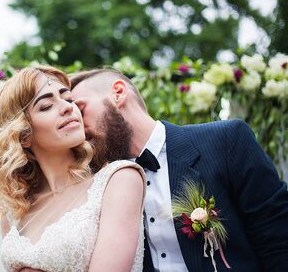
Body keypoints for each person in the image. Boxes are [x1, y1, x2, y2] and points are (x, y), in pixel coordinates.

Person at [69, 68, 288, 272]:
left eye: (80, 109)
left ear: (118, 93)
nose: (77, 124)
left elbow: (278, 239)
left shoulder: (226, 140)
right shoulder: (97, 184)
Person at [0, 66, 146, 271]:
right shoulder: (13, 211)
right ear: (23, 135)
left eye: (68, 99)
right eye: (46, 105)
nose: (68, 108)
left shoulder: (119, 180)